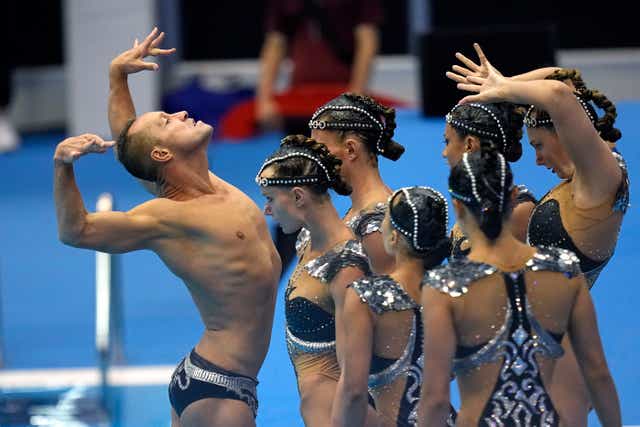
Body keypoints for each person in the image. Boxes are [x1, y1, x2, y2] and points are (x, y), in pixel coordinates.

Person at [55, 28, 282, 427]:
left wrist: (117, 77)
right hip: (219, 389)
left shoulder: (208, 184)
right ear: (163, 153)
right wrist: (63, 166)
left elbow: (130, 145)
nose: (179, 113)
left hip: (227, 381)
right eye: (168, 120)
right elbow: (77, 231)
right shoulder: (169, 215)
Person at [448, 43, 629, 425]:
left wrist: (501, 89)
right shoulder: (580, 182)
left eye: (539, 146)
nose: (537, 159)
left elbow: (560, 94)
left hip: (560, 353)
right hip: (539, 343)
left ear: (565, 131)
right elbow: (559, 80)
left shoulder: (601, 179)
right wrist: (504, 83)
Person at [419, 146, 621, 426]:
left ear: (458, 206)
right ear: (514, 197)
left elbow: (435, 398)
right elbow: (597, 371)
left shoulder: (444, 287)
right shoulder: (563, 270)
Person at [256, 134, 379, 427]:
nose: (267, 210)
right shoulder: (306, 239)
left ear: (299, 196)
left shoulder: (346, 268)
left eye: (270, 199)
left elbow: (355, 382)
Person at [332, 186, 456, 427]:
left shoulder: (366, 297)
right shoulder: (452, 293)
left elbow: (353, 391)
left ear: (394, 237)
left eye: (384, 220)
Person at [302, 92, 404, 274]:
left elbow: (394, 299)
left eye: (321, 149)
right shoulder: (360, 211)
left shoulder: (376, 228)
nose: (315, 160)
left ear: (350, 149)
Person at [256, 0, 383, 131]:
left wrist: (357, 94)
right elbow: (275, 44)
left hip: (344, 97)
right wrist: (265, 99)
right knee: (303, 149)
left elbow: (367, 39)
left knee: (341, 149)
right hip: (299, 102)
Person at [441, 101, 533, 257]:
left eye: (447, 142)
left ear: (469, 145)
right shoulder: (473, 197)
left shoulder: (516, 210)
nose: (444, 152)